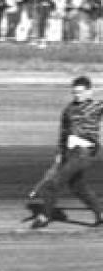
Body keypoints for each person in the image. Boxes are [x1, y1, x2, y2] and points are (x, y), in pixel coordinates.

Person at [28, 75, 103, 228]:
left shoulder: (97, 106)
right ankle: (100, 213)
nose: (77, 95)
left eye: (80, 92)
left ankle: (44, 216)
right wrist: (60, 154)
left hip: (85, 152)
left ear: (89, 91)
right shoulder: (68, 110)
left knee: (54, 182)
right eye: (75, 92)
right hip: (70, 153)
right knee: (77, 186)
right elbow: (63, 134)